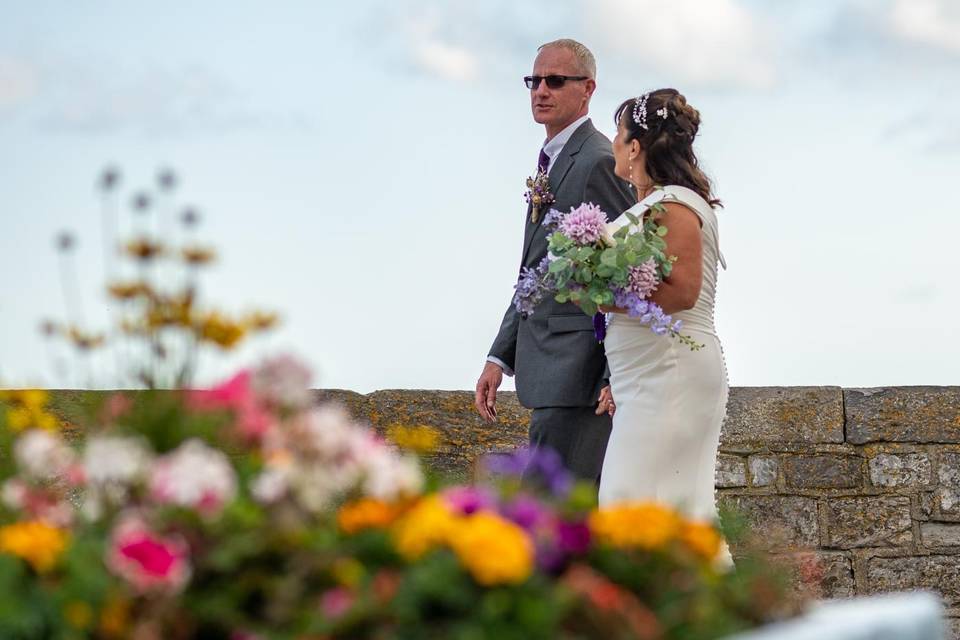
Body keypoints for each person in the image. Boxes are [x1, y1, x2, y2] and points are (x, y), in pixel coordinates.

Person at [475, 39, 635, 482]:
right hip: (548, 370)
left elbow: (627, 275)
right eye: (534, 81)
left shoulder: (599, 161)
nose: (541, 90)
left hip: (580, 375)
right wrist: (499, 357)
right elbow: (536, 270)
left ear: (588, 89)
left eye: (555, 81)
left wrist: (612, 374)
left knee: (555, 518)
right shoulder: (553, 161)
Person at [599, 89, 730, 536]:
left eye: (619, 133)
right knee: (669, 513)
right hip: (648, 375)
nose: (614, 141)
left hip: (669, 374)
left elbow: (682, 292)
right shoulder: (662, 202)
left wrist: (595, 292)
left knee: (629, 505)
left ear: (635, 146)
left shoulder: (674, 204)